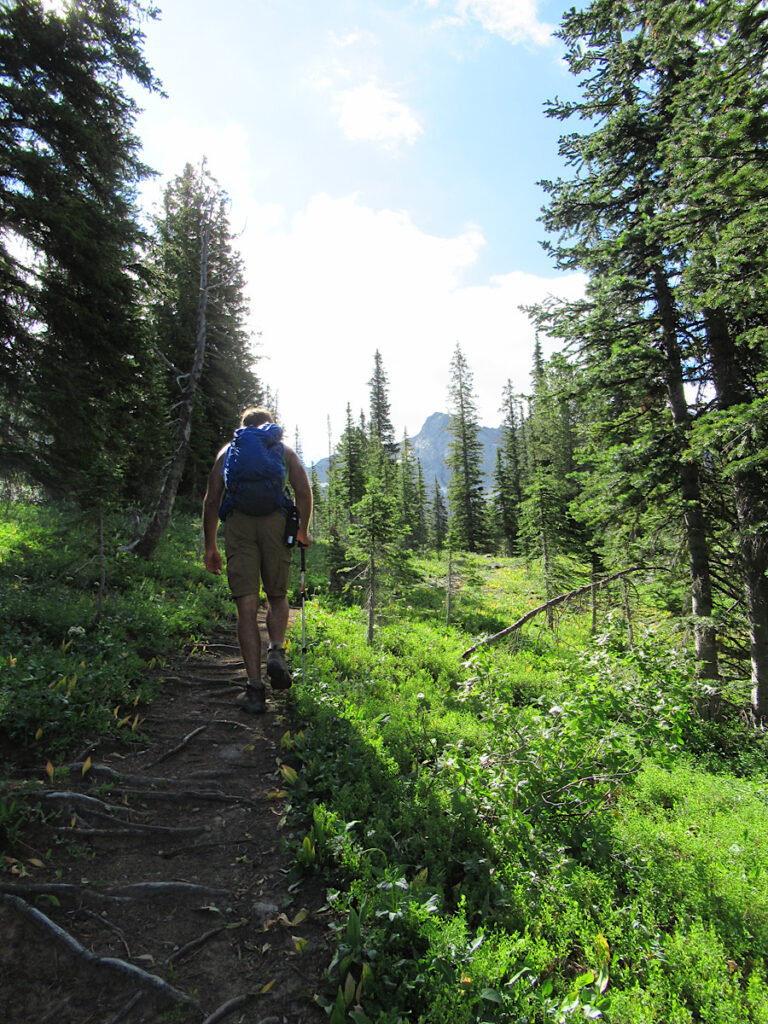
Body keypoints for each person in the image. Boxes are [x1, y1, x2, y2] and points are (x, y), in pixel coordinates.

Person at [202, 407, 312, 714]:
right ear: (270, 426)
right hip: (276, 523)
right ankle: (276, 650)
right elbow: (303, 491)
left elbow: (212, 500)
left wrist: (211, 546)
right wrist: (302, 530)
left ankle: (254, 688)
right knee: (278, 596)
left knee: (246, 606)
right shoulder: (283, 449)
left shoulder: (228, 451)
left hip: (239, 525)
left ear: (243, 427)